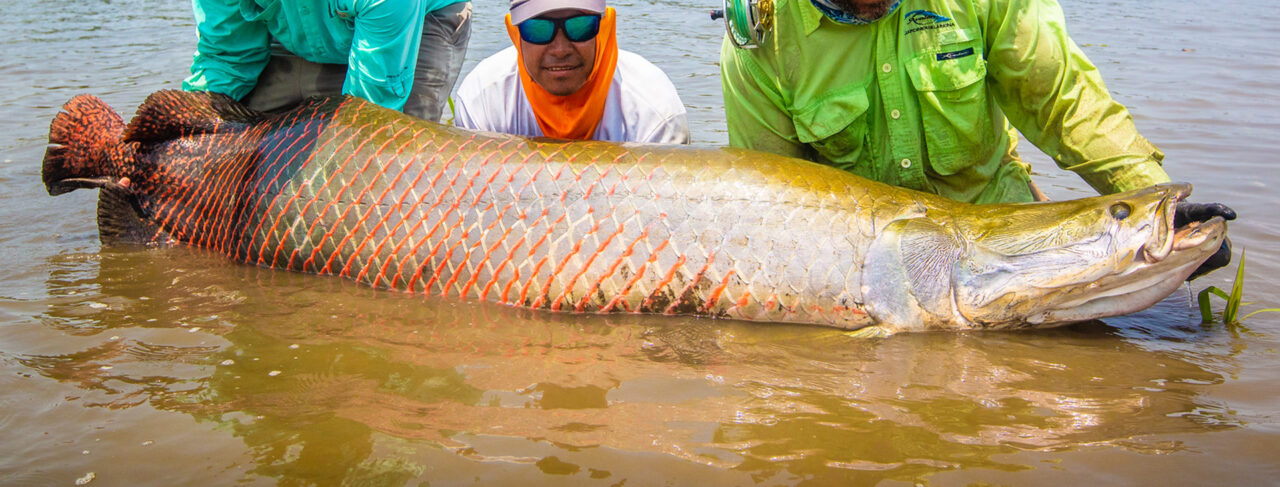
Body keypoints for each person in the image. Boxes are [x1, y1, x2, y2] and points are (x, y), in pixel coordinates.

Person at [719, 0, 1235, 278]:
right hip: (866, 268)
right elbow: (777, 206)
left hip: (1009, 245)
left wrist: (1152, 202)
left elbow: (1065, 105)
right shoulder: (761, 39)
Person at [183, 0, 472, 122]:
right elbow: (228, 56)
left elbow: (368, 112)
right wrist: (182, 127)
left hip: (418, 22)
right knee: (241, 139)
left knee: (389, 158)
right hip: (292, 23)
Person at [452, 0, 690, 144]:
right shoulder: (482, 99)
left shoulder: (655, 111)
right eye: (538, 28)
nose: (560, 49)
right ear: (515, 33)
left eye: (579, 26)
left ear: (602, 27)